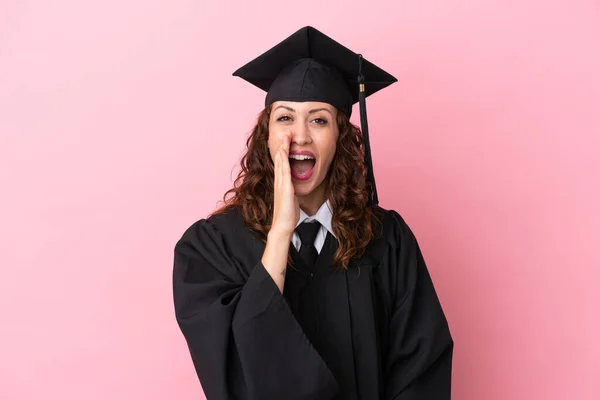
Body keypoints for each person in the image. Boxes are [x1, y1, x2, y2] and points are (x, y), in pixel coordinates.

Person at [172, 26, 454, 400]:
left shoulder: (387, 240)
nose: (300, 135)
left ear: (340, 136)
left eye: (318, 119)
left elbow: (421, 367)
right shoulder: (212, 246)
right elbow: (230, 366)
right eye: (285, 118)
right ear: (266, 135)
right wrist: (280, 232)